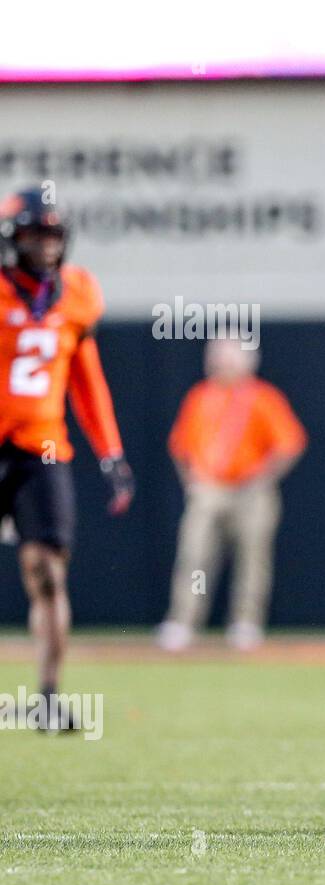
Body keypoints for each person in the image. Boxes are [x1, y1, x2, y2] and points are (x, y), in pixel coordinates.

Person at [0, 188, 134, 730]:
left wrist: (111, 453)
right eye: (36, 234)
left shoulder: (76, 292)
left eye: (53, 235)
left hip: (42, 447)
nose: (47, 246)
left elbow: (87, 379)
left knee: (48, 571)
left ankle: (48, 698)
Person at [157, 339, 306, 652]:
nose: (223, 364)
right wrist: (193, 481)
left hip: (251, 491)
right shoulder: (200, 396)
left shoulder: (263, 397)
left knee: (252, 558)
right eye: (218, 357)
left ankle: (245, 623)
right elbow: (180, 445)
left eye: (230, 358)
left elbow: (290, 443)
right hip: (208, 489)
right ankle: (183, 622)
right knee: (195, 555)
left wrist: (262, 477)